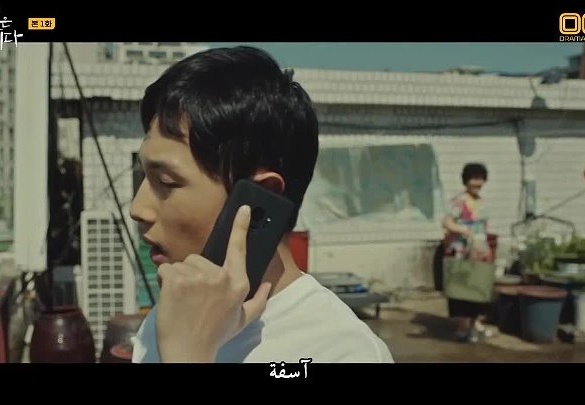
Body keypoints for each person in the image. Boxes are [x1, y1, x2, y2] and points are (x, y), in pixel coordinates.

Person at [129, 46, 393, 363]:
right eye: (144, 177)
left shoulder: (342, 351)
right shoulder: (167, 321)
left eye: (167, 181)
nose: (138, 209)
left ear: (258, 199)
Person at [441, 163, 493, 343]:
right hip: (462, 252)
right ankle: (463, 327)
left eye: (480, 179)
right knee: (463, 289)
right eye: (473, 178)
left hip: (478, 251)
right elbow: (447, 222)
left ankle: (474, 323)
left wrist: (486, 247)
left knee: (477, 287)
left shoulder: (481, 202)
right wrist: (463, 230)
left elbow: (483, 227)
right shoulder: (460, 201)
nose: (477, 183)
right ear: (466, 181)